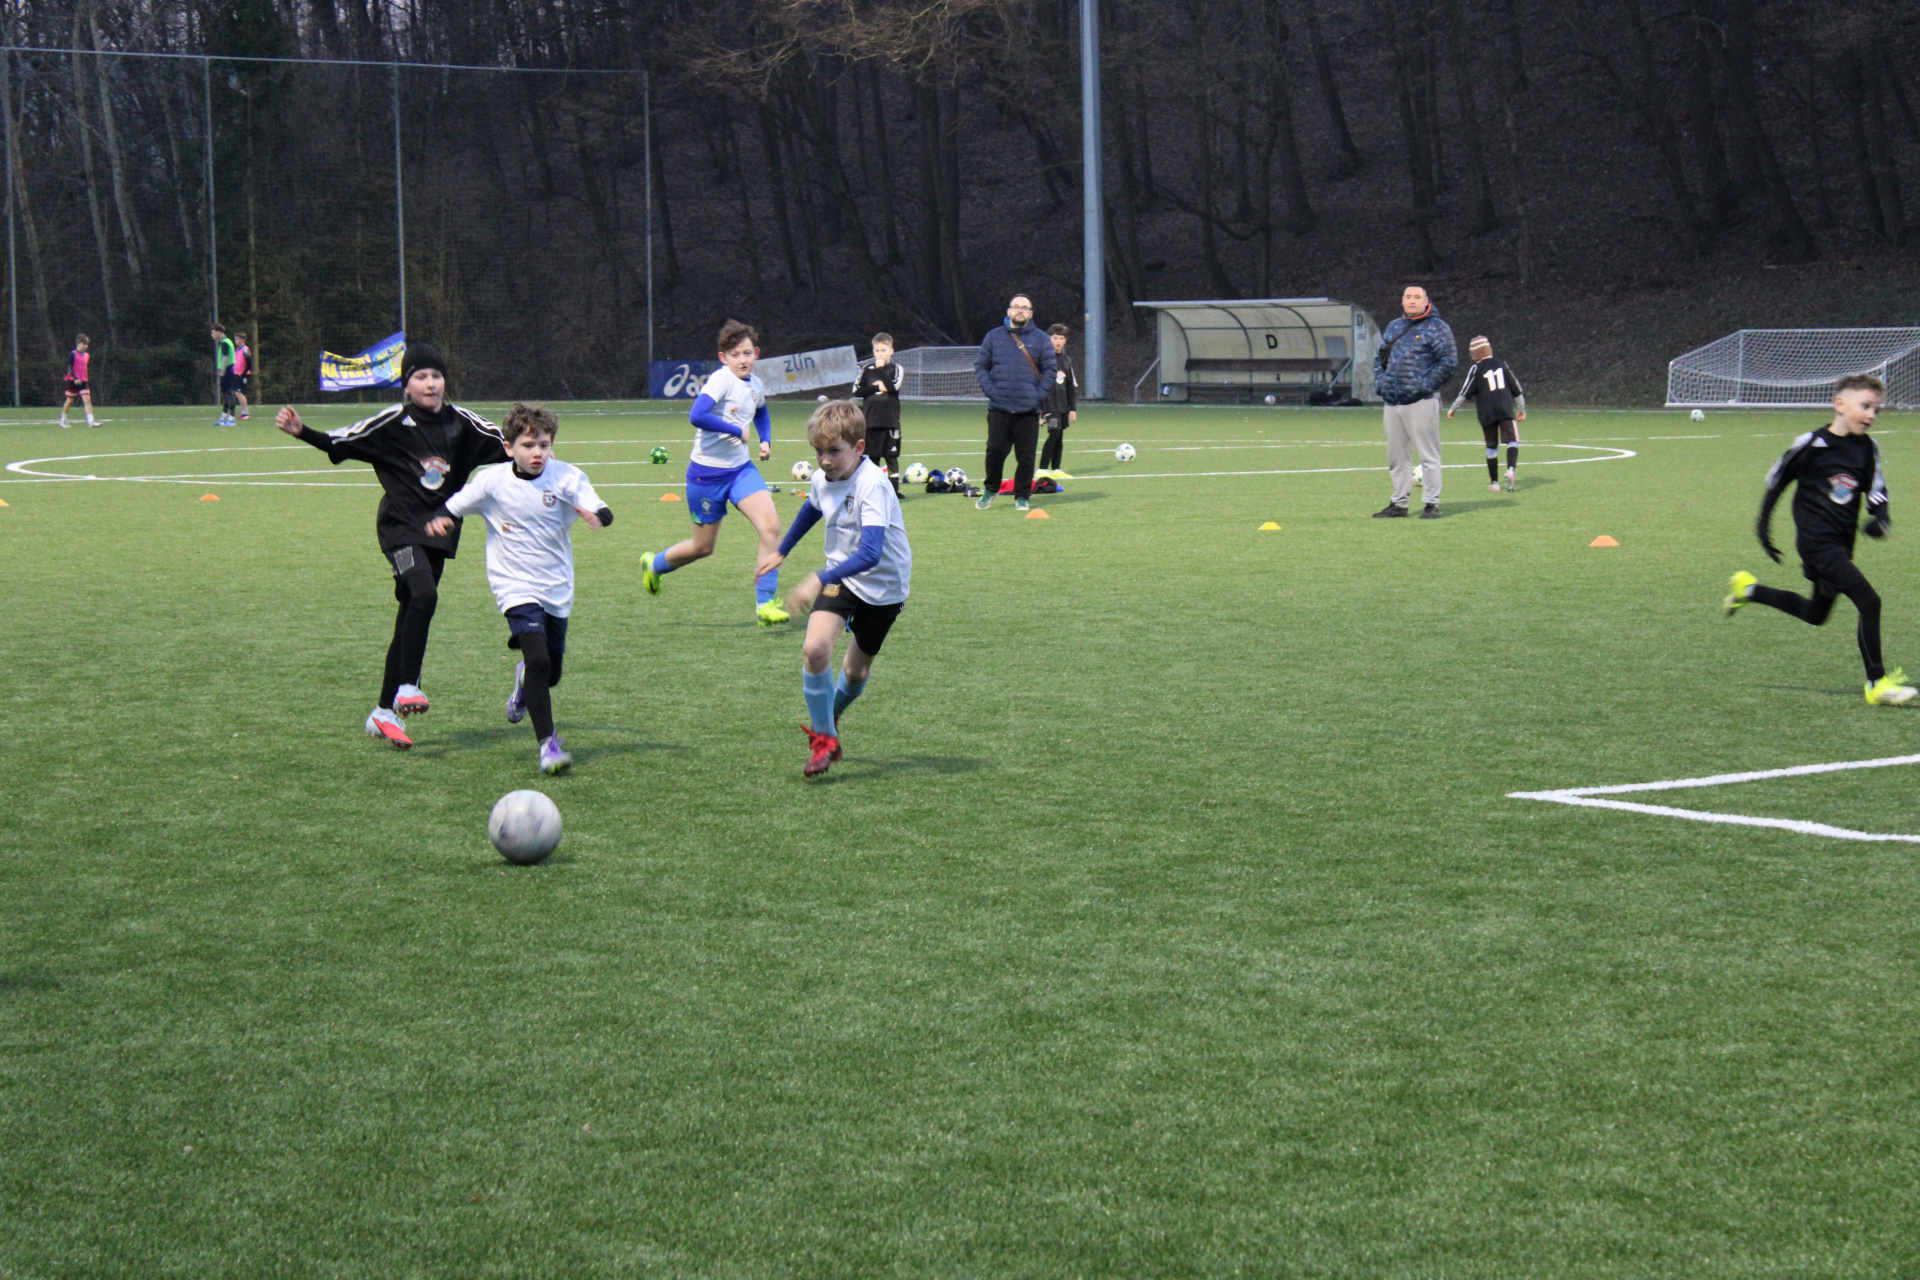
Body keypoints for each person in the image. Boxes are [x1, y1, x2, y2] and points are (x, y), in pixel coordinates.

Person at [275, 342, 508, 748]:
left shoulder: (463, 424)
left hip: (439, 533)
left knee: (409, 618)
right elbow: (343, 441)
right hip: (399, 528)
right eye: (421, 377)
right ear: (406, 386)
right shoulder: (392, 422)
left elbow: (508, 446)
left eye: (436, 376)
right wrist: (303, 432)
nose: (430, 384)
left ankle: (382, 712)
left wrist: (540, 451)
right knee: (425, 594)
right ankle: (407, 686)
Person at [426, 403, 611, 774]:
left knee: (550, 673)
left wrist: (596, 516)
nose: (537, 452)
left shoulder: (567, 477)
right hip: (513, 584)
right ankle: (548, 746)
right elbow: (454, 505)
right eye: (528, 445)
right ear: (509, 448)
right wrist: (443, 519)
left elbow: (601, 508)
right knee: (539, 659)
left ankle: (524, 681)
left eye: (544, 444)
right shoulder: (492, 481)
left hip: (556, 586)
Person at [1725, 374, 1916, 705]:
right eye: (1865, 406)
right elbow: (1778, 480)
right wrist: (1763, 524)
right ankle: (1877, 684)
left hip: (1841, 545)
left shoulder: (1867, 448)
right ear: (1839, 404)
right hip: (1816, 544)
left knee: (1816, 613)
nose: (1871, 415)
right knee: (1870, 601)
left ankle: (1749, 590)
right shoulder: (1811, 444)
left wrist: (1882, 519)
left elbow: (1876, 491)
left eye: (1876, 410)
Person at [757, 399, 912, 778]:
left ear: (859, 448)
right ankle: (825, 740)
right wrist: (782, 550)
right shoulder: (820, 477)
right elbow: (813, 507)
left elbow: (871, 554)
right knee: (814, 649)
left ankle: (833, 713)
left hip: (884, 586)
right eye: (818, 452)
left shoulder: (873, 485)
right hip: (841, 576)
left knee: (855, 673)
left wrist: (816, 579)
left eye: (834, 452)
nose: (824, 461)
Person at [641, 319, 789, 626]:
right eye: (735, 355)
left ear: (756, 353)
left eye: (747, 353)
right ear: (724, 358)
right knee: (703, 547)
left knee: (771, 528)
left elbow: (761, 412)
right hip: (706, 476)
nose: (742, 360)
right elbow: (697, 415)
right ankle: (655, 565)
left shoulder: (755, 385)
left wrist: (765, 439)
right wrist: (736, 430)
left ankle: (765, 604)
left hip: (741, 471)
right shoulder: (721, 381)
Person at [1371, 285, 1457, 519]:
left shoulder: (1437, 327)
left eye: (1417, 297)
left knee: (1428, 454)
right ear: (1402, 301)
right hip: (1393, 401)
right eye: (1408, 297)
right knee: (1396, 457)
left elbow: (1449, 361)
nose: (1412, 301)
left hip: (1422, 401)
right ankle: (1399, 504)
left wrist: (1425, 385)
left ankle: (1431, 504)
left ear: (1426, 301)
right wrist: (1381, 383)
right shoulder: (1394, 326)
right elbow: (1380, 358)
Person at [972, 293, 1055, 512]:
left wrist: (1037, 396)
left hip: (1028, 409)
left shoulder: (1042, 339)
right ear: (1008, 311)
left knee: (1026, 457)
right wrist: (991, 391)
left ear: (1031, 313)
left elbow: (1050, 370)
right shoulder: (993, 336)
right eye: (1016, 306)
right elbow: (981, 366)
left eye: (1024, 308)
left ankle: (1022, 496)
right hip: (999, 407)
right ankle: (991, 489)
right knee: (995, 451)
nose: (1020, 310)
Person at [1448, 335, 1526, 492]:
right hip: (1505, 409)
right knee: (1513, 440)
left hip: (1486, 413)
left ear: (1474, 354)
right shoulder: (1502, 364)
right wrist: (1521, 409)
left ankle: (1495, 483)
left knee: (1491, 446)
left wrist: (1453, 408)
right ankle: (1510, 470)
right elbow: (1515, 388)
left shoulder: (1476, 369)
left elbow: (1465, 391)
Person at [851, 332, 905, 496]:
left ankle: (893, 492)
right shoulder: (867, 370)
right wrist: (876, 387)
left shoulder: (896, 369)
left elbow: (893, 387)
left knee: (891, 456)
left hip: (890, 421)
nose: (879, 354)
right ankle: (873, 491)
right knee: (872, 457)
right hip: (870, 421)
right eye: (877, 351)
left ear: (891, 351)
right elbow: (857, 391)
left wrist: (881, 370)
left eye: (883, 350)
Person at [1038, 323, 1078, 476]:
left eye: (1061, 338)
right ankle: (1042, 469)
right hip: (1049, 404)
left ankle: (1056, 469)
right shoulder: (1044, 359)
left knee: (1059, 436)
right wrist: (1039, 407)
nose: (1058, 341)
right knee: (1054, 433)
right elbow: (1038, 382)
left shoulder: (1066, 361)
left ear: (1065, 341)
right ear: (1049, 339)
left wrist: (1072, 408)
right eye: (1055, 338)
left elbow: (1070, 386)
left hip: (1062, 405)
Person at [59, 334, 95, 429]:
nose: (86, 346)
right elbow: (69, 367)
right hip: (73, 381)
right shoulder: (73, 354)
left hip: (83, 380)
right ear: (79, 343)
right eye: (84, 344)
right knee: (70, 401)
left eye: (87, 344)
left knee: (87, 399)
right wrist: (75, 378)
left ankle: (91, 421)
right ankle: (63, 420)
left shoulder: (87, 355)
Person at [212, 325, 238, 426]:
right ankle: (223, 418)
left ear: (219, 332)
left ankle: (231, 418)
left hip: (227, 371)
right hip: (229, 370)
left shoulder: (225, 343)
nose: (212, 334)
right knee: (226, 395)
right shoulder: (228, 341)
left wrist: (222, 372)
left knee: (229, 394)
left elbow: (225, 358)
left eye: (213, 332)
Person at [231, 332, 253, 421]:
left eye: (237, 339)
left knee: (240, 393)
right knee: (237, 393)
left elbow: (249, 363)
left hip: (243, 375)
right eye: (235, 339)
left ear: (243, 340)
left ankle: (245, 413)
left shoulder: (245, 349)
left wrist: (244, 373)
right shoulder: (237, 350)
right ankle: (244, 413)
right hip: (236, 374)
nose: (235, 341)